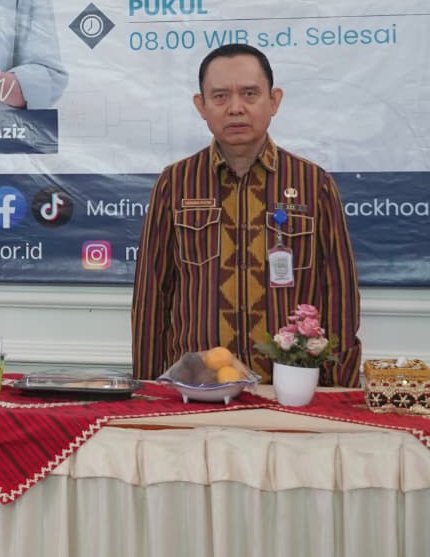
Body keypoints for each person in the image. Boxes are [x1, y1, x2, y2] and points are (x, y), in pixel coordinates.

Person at [131, 43, 361, 386]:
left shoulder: (314, 184)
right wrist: (147, 391)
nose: (235, 108)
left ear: (274, 101)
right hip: (196, 390)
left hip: (290, 391)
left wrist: (339, 393)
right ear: (201, 105)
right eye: (220, 96)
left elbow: (339, 295)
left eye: (250, 94)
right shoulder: (175, 183)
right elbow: (152, 295)